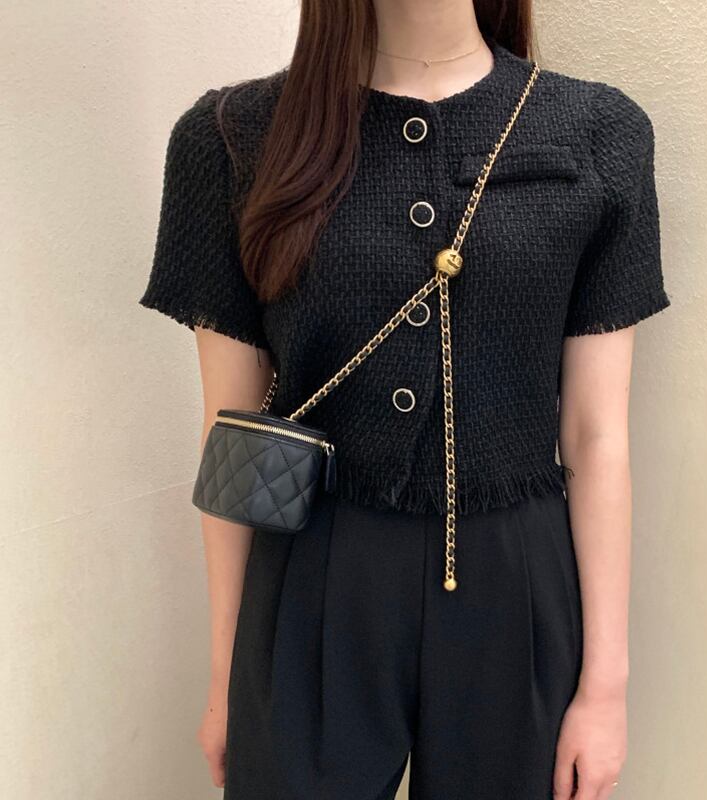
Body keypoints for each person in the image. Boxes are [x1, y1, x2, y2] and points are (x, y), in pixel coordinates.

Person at [138, 2, 671, 798]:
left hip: (513, 583)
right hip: (311, 573)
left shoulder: (598, 132)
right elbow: (233, 436)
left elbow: (596, 436)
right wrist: (228, 676)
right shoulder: (231, 138)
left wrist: (605, 688)